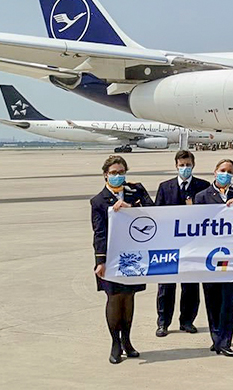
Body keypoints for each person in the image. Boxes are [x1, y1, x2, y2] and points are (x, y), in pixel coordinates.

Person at [91, 155, 153, 364]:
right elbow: (99, 233)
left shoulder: (136, 191)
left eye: (121, 172)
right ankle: (115, 343)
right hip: (111, 257)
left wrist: (131, 209)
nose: (117, 176)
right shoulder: (98, 201)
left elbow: (153, 212)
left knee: (129, 297)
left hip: (134, 255)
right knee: (114, 297)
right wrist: (100, 261)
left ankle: (127, 340)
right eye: (113, 173)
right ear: (105, 175)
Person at [195, 159, 233, 357]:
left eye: (229, 171)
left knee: (229, 300)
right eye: (222, 170)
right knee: (212, 301)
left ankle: (225, 341)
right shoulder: (202, 196)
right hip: (210, 257)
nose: (225, 174)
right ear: (215, 172)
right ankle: (216, 338)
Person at [154, 150, 210, 337]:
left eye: (188, 165)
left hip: (193, 244)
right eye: (181, 165)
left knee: (191, 286)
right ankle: (163, 322)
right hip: (169, 244)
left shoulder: (203, 186)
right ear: (176, 166)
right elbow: (157, 214)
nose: (185, 168)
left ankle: (187, 320)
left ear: (193, 165)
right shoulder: (165, 187)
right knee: (166, 287)